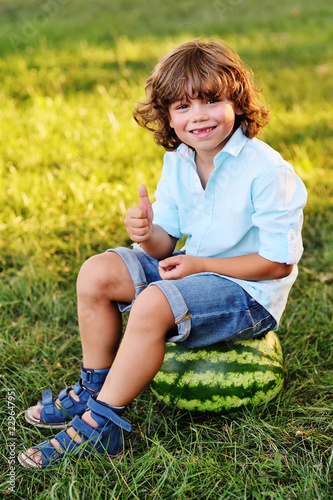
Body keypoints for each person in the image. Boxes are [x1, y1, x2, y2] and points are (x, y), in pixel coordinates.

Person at [18, 39, 307, 468]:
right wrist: (146, 231)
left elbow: (277, 263)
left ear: (239, 102)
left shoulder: (268, 172)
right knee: (97, 272)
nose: (199, 116)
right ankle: (93, 388)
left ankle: (104, 425)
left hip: (249, 295)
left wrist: (200, 264)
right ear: (168, 117)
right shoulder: (180, 161)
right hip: (194, 270)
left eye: (211, 100)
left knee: (154, 302)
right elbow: (165, 244)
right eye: (183, 107)